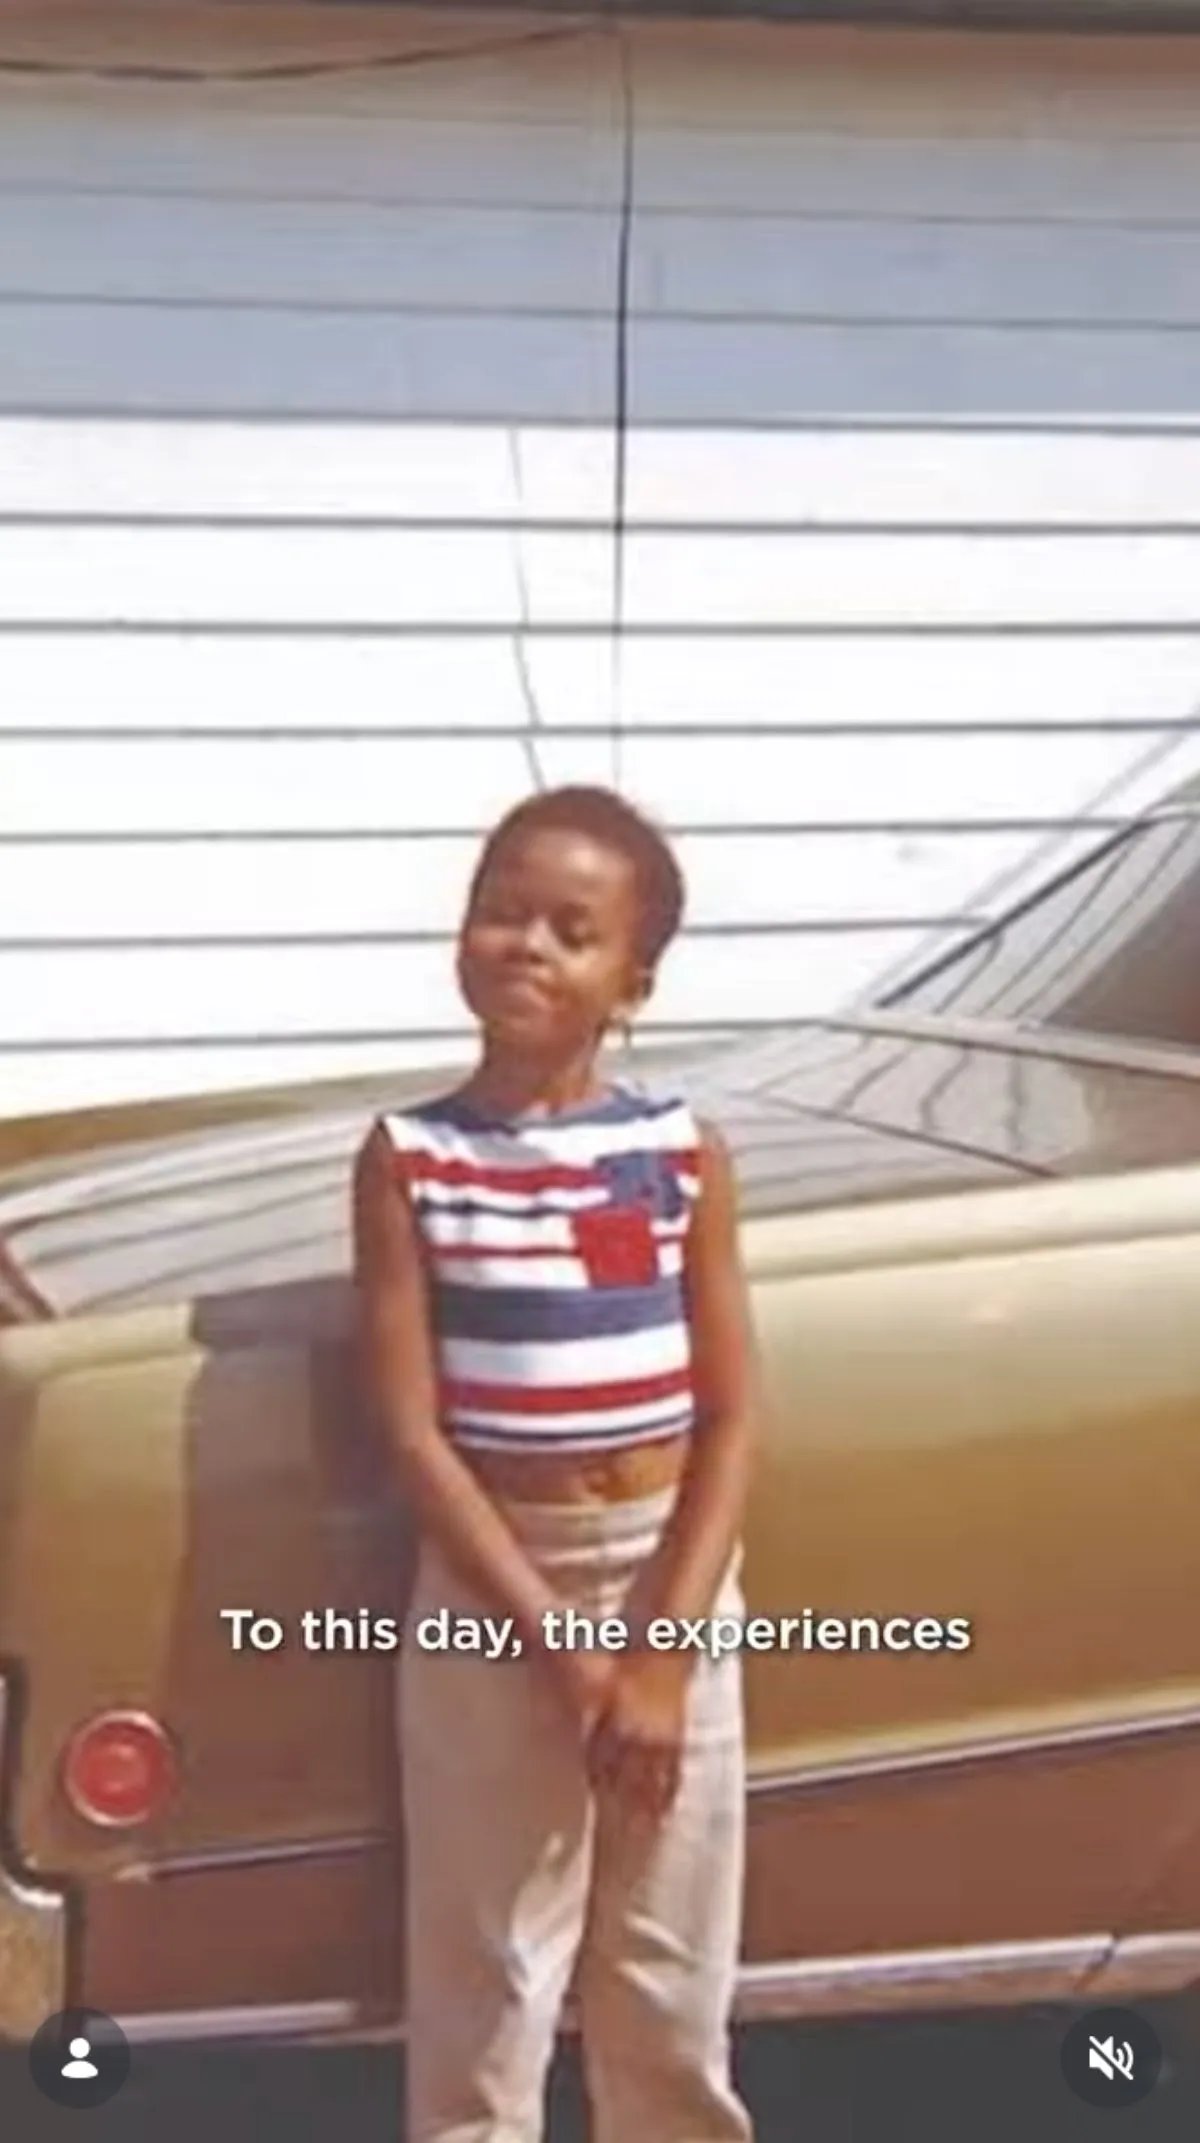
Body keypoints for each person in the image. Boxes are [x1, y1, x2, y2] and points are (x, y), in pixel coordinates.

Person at [353, 784, 760, 2143]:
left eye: (570, 930)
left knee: (667, 1976)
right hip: (491, 1597)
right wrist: (566, 1656)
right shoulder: (412, 1159)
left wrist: (651, 1658)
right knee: (491, 1974)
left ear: (630, 983)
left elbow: (733, 1421)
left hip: (667, 1588)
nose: (524, 944)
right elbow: (413, 1431)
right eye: (499, 912)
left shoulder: (679, 1153)